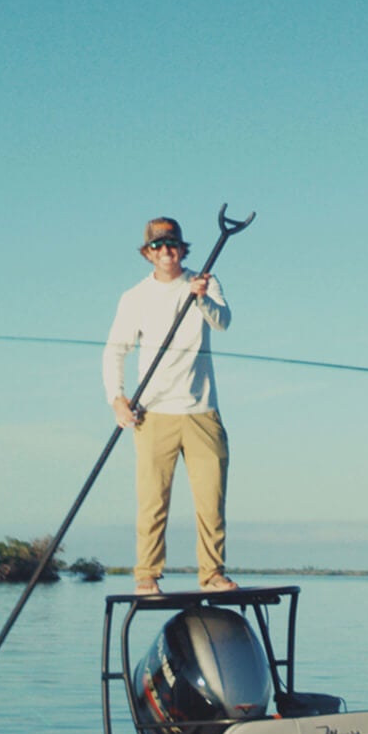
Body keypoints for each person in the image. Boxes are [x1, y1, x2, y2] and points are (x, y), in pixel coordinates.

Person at [102, 216, 236, 595]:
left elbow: (224, 322)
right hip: (154, 413)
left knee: (211, 502)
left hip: (202, 411)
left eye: (172, 244)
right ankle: (147, 574)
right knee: (152, 500)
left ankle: (212, 574)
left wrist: (202, 298)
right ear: (148, 253)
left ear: (182, 248)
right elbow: (115, 351)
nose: (166, 251)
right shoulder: (134, 297)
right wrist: (117, 399)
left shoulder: (206, 282)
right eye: (158, 246)